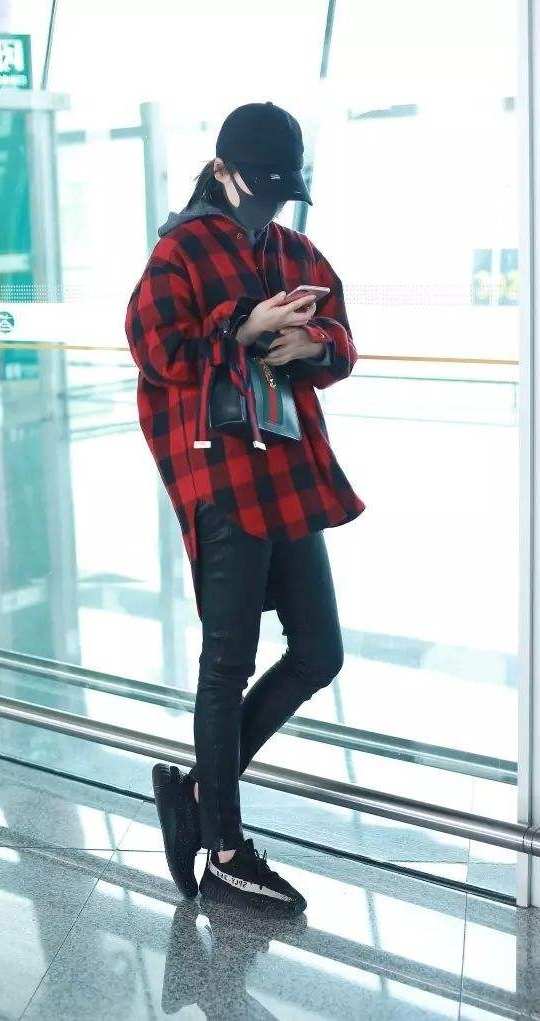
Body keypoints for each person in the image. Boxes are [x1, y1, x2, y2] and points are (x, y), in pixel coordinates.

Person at [125, 101, 366, 915]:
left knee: (319, 651)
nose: (270, 203)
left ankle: (198, 792)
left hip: (286, 472)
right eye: (259, 186)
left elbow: (341, 333)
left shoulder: (291, 248)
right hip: (223, 474)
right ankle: (224, 851)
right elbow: (156, 350)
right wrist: (241, 326)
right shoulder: (181, 249)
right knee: (226, 661)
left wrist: (316, 343)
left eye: (280, 189)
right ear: (222, 170)